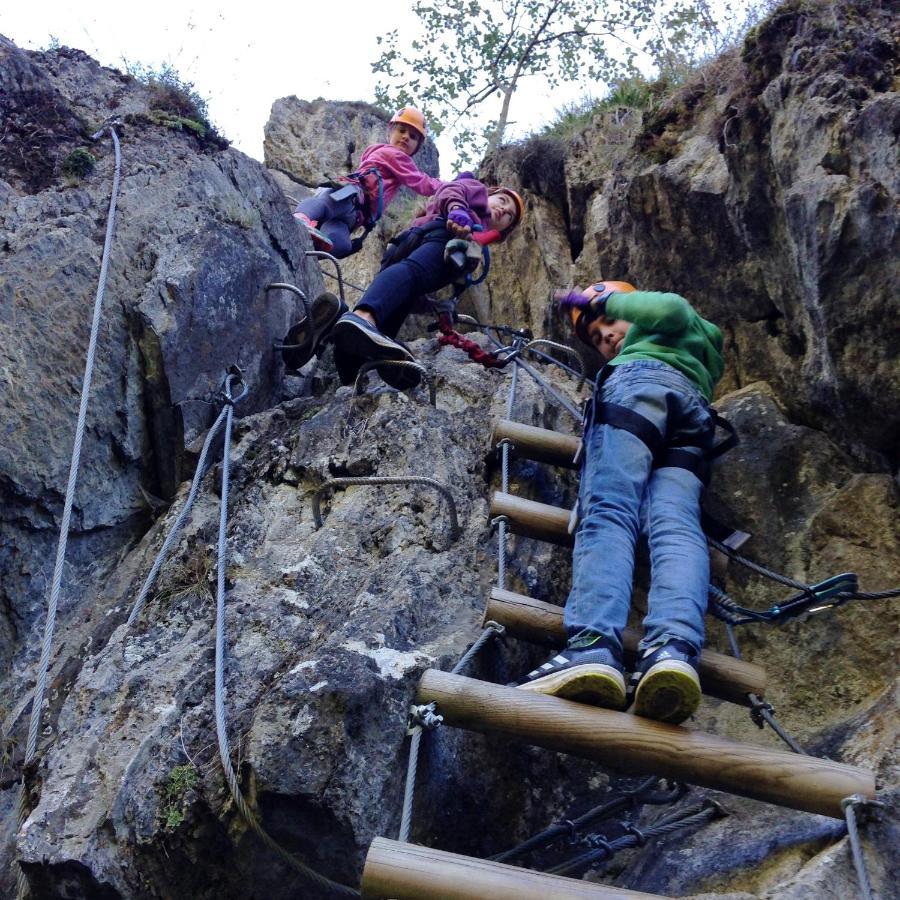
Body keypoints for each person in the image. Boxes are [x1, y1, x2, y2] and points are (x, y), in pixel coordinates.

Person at [518, 282, 724, 725]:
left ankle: (592, 644)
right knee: (677, 527)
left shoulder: (660, 324)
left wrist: (601, 300)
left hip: (638, 394)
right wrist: (607, 310)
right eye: (595, 337)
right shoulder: (700, 350)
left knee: (609, 511)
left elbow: (671, 308)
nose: (605, 336)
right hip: (693, 418)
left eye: (609, 323)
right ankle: (672, 650)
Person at [282, 176, 524, 387]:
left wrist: (434, 307)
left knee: (374, 335)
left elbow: (410, 289)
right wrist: (458, 209)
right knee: (409, 278)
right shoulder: (475, 194)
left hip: (404, 256)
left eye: (509, 216)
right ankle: (362, 317)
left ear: (503, 232)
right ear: (491, 194)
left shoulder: (476, 240)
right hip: (437, 235)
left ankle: (336, 339)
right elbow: (452, 189)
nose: (504, 211)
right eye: (503, 201)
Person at [293, 107, 444, 259]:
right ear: (390, 132)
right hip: (351, 195)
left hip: (356, 214)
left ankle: (310, 250)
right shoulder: (394, 154)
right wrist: (447, 186)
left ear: (416, 147)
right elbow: (421, 183)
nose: (406, 137)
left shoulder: (379, 152)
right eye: (402, 131)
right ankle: (300, 218)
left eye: (413, 136)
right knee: (326, 205)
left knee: (342, 243)